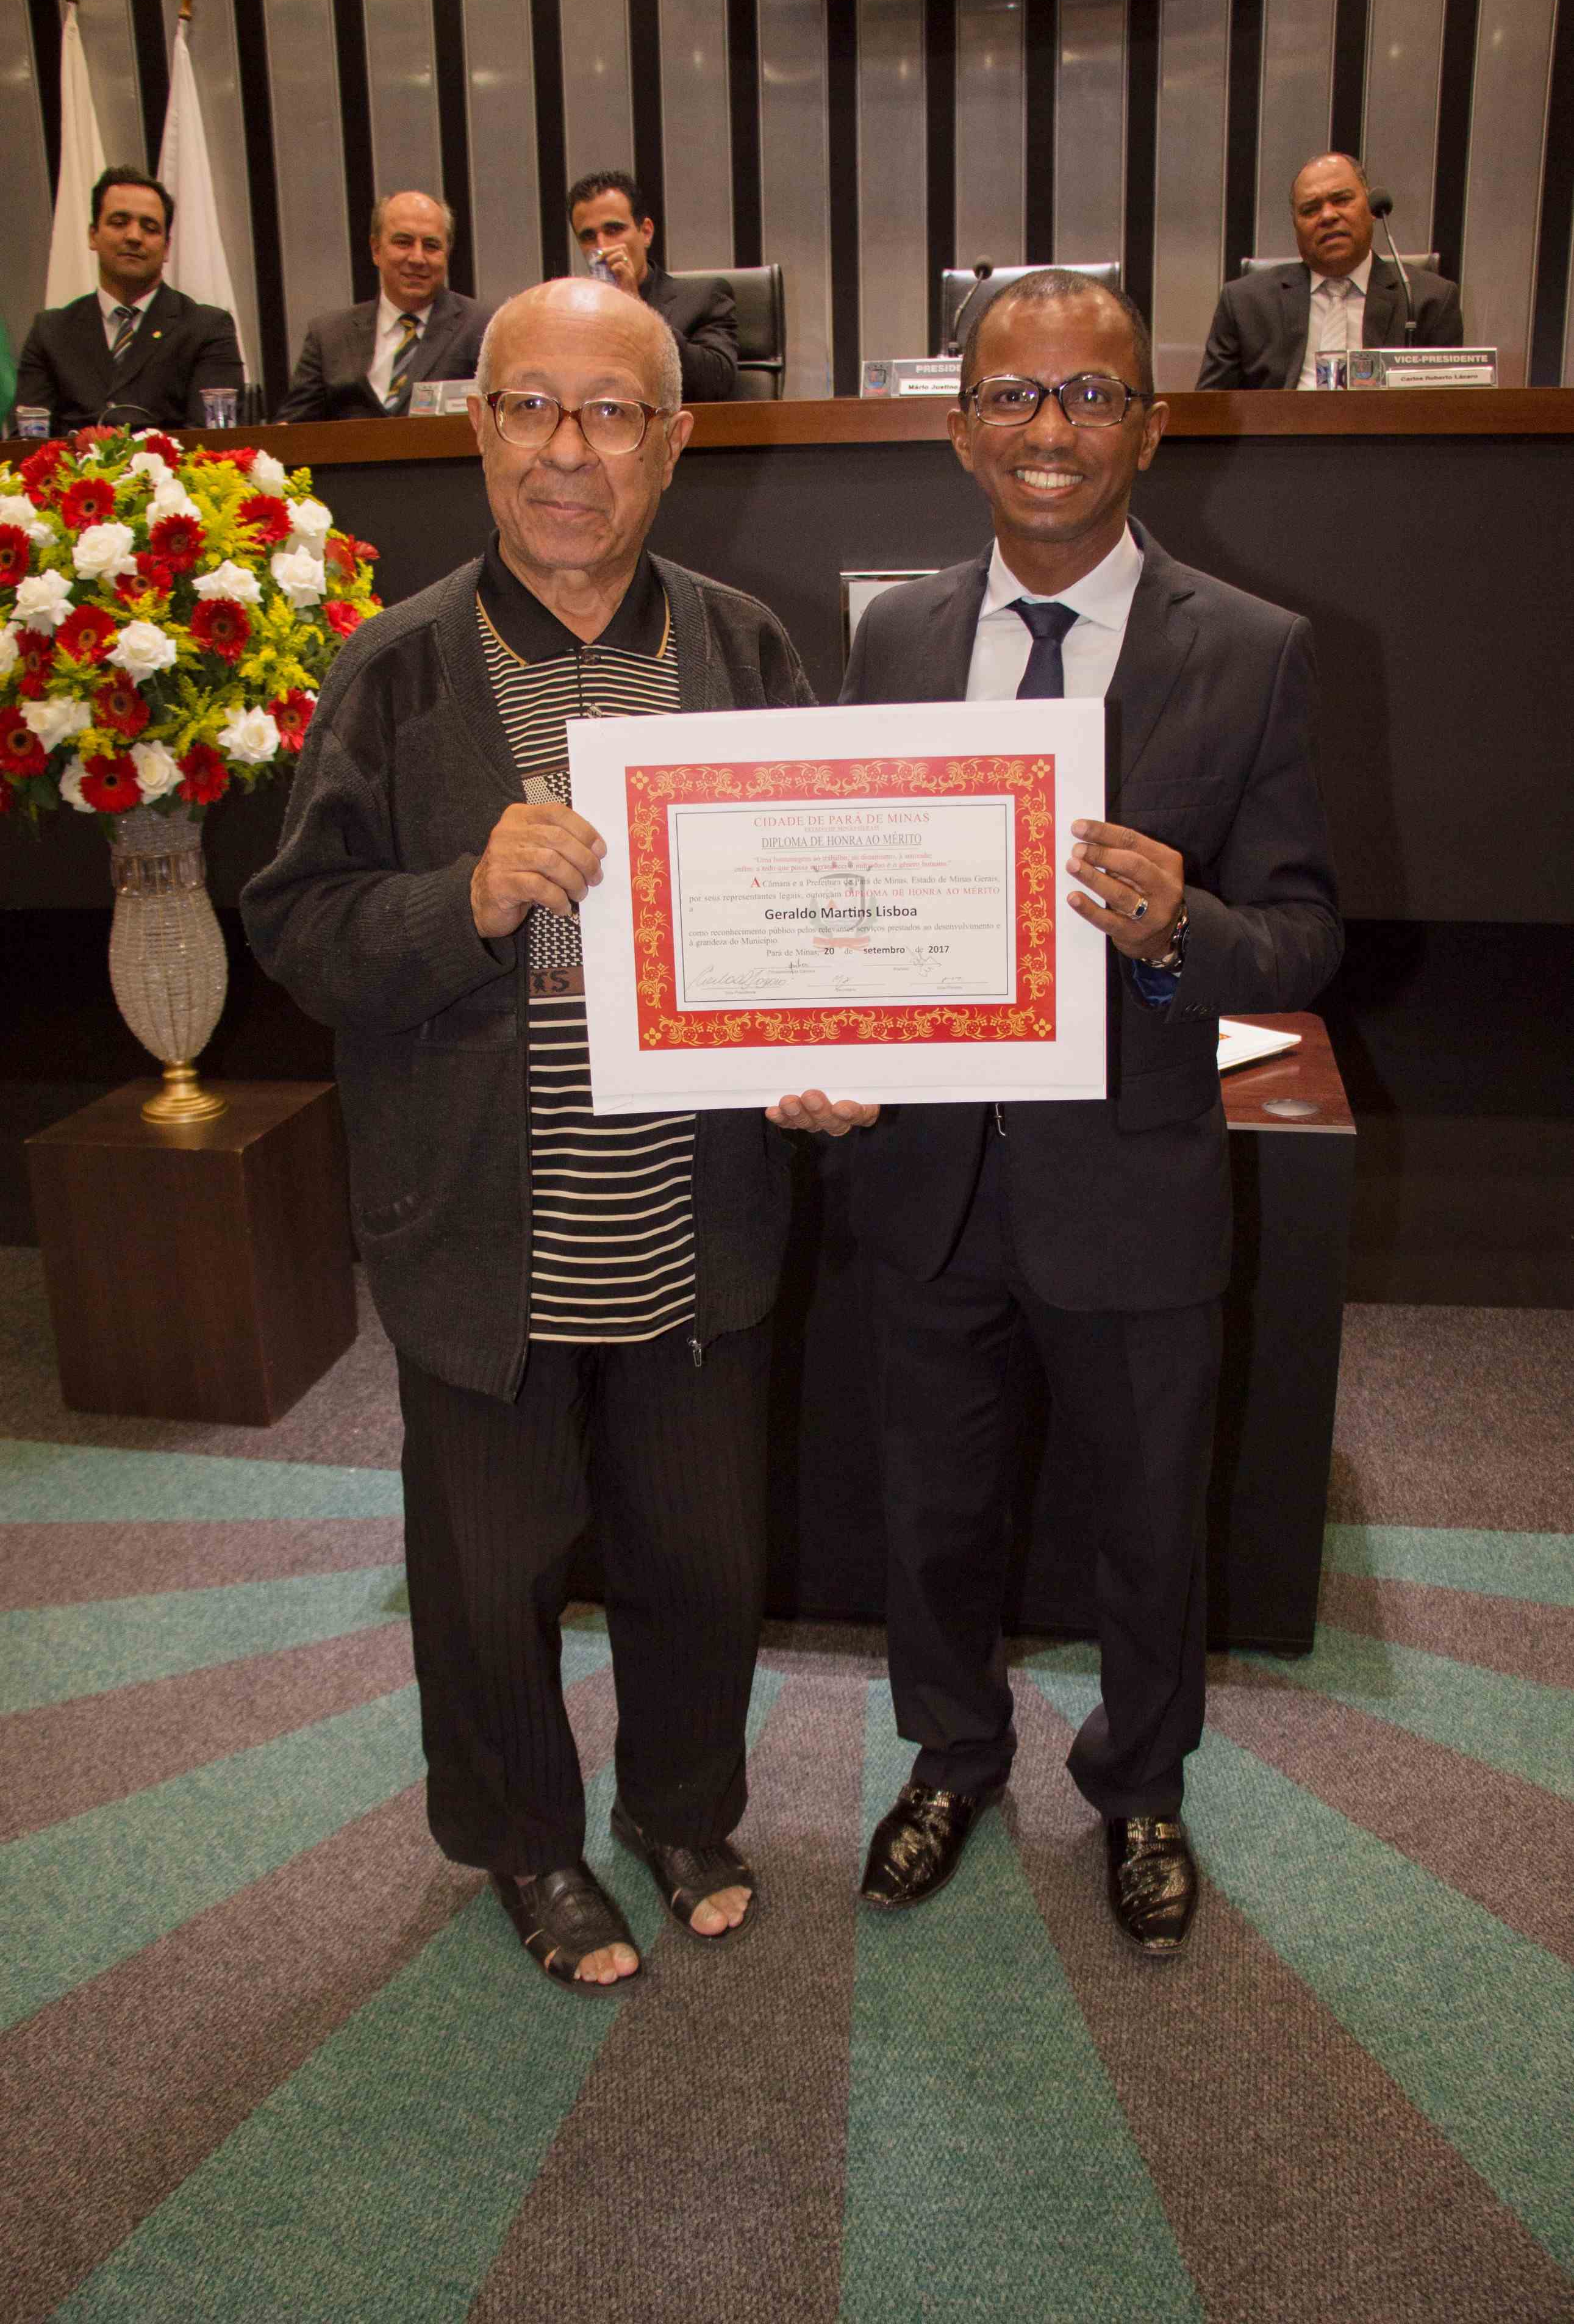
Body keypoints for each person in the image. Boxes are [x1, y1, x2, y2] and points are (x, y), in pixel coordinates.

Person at [243, 278, 819, 1996]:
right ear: (477, 430)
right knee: (487, 1580)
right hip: (484, 1229)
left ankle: (681, 1810)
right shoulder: (395, 665)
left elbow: (819, 907)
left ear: (674, 441)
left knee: (701, 1557)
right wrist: (464, 899)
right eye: (529, 407)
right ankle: (524, 1841)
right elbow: (298, 928)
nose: (568, 450)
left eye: (611, 411)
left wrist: (831, 1053)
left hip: (696, 1218)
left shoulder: (745, 650)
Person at [774, 270, 1342, 1957]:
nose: (1049, 427)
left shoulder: (1251, 650)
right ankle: (951, 1758)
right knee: (930, 1513)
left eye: (1089, 394)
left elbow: (1304, 935)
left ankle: (1139, 1786)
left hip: (1134, 1182)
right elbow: (847, 888)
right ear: (958, 430)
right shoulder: (894, 635)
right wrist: (811, 1029)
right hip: (925, 1176)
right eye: (1012, 395)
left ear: (1147, 430)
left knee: (1147, 1522)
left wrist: (1183, 930)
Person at [1197, 151, 1463, 389]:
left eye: (1342, 200)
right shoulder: (1245, 304)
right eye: (1310, 210)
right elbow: (1209, 412)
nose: (1327, 216)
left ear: (1371, 209)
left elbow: (1449, 411)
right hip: (1281, 429)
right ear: (1295, 226)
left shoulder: (1428, 301)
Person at [12, 166, 243, 432]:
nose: (134, 237)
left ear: (167, 248)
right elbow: (28, 444)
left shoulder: (207, 328)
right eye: (119, 223)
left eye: (150, 228)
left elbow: (213, 444)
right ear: (93, 236)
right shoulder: (51, 332)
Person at [275, 192, 490, 421]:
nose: (417, 258)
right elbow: (292, 430)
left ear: (447, 253)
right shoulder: (328, 337)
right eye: (403, 243)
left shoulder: (482, 328)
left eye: (431, 246)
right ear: (376, 250)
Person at [568, 170, 739, 401]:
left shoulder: (705, 297)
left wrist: (637, 310)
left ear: (646, 232)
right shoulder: (571, 313)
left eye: (614, 230)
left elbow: (716, 384)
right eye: (588, 237)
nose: (602, 246)